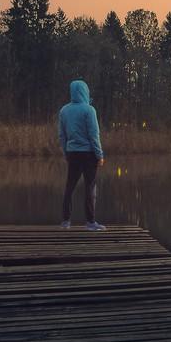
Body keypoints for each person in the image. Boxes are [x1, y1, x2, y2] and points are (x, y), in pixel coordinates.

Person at [58, 79, 105, 230]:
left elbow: (62, 135)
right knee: (90, 187)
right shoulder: (89, 110)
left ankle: (65, 222)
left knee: (69, 187)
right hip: (89, 154)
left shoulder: (64, 110)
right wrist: (100, 155)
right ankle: (90, 222)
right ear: (85, 91)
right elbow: (94, 135)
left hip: (72, 153)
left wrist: (66, 152)